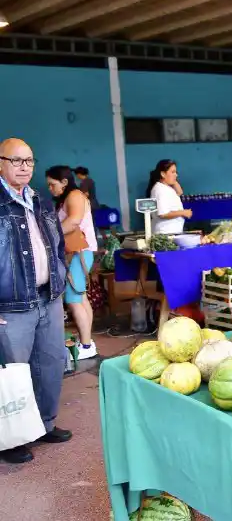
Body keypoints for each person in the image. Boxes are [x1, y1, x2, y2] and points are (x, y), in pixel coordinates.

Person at [0, 138, 73, 464]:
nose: (24, 166)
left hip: (48, 299)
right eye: (16, 161)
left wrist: (58, 280)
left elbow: (56, 246)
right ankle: (10, 437)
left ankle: (43, 424)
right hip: (11, 305)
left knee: (50, 364)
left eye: (29, 160)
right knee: (13, 374)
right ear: (1, 163)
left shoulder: (39, 201)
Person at [46, 166, 98, 360]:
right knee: (80, 297)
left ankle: (86, 345)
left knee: (73, 300)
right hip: (78, 252)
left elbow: (74, 221)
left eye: (53, 184)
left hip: (80, 252)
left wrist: (48, 234)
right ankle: (88, 342)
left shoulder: (75, 195)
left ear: (65, 182)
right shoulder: (67, 198)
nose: (50, 188)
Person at [146, 159, 192, 234]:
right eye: (173, 172)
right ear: (163, 174)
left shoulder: (167, 187)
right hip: (165, 233)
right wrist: (183, 212)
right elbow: (163, 214)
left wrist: (173, 178)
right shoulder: (160, 190)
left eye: (176, 172)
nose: (176, 174)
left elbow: (180, 192)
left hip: (172, 232)